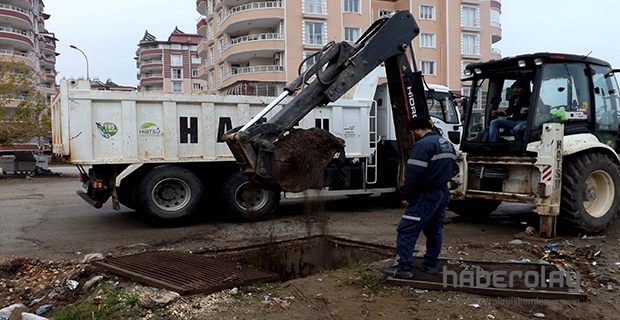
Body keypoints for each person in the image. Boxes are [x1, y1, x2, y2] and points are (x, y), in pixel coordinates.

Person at [382, 117, 456, 279]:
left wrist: (407, 195)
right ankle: (431, 264)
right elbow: (454, 169)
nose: (412, 136)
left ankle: (404, 268)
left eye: (411, 132)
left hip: (426, 194)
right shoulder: (446, 144)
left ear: (417, 130)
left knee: (406, 229)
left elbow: (414, 174)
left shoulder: (422, 146)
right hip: (442, 192)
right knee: (434, 229)